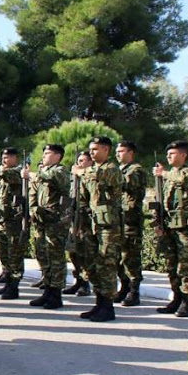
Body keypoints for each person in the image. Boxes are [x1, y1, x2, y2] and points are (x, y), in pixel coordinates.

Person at [73, 136, 122, 322]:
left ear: (106, 150)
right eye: (91, 149)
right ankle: (99, 302)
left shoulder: (111, 169)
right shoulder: (90, 170)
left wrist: (80, 173)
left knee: (107, 265)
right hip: (92, 224)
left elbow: (98, 177)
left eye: (95, 149)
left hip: (108, 225)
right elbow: (85, 196)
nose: (92, 152)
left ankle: (108, 307)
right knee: (92, 264)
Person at [153, 140, 188, 317]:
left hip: (187, 229)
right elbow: (162, 202)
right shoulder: (168, 176)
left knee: (186, 266)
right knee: (171, 265)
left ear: (183, 155)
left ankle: (186, 303)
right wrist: (159, 223)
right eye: (168, 154)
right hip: (170, 227)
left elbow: (184, 180)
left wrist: (163, 173)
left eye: (172, 154)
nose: (169, 157)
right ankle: (176, 299)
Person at [23, 144, 70, 309]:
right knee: (43, 256)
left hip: (55, 222)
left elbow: (49, 178)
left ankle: (56, 294)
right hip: (42, 221)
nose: (43, 156)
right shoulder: (43, 173)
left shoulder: (60, 171)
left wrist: (31, 175)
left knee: (56, 258)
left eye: (48, 153)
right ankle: (48, 290)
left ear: (58, 156)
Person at [115, 140, 148, 306]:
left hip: (131, 220)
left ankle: (134, 291)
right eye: (117, 151)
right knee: (119, 257)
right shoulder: (120, 170)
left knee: (131, 257)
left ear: (130, 153)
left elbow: (124, 184)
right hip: (119, 220)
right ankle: (124, 286)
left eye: (121, 151)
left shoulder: (136, 170)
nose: (118, 154)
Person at [0, 147, 27, 300]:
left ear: (16, 158)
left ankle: (14, 286)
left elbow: (6, 174)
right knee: (4, 253)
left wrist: (0, 170)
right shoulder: (2, 176)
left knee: (15, 255)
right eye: (3, 156)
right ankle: (7, 283)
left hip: (14, 222)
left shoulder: (18, 172)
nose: (4, 160)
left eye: (8, 157)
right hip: (2, 220)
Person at [64, 151, 93, 297]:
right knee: (73, 252)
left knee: (84, 252)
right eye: (78, 161)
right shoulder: (75, 177)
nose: (79, 163)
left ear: (90, 163)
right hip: (74, 218)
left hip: (86, 220)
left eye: (82, 161)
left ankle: (85, 283)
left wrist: (80, 173)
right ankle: (78, 280)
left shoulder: (90, 176)